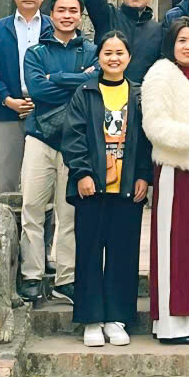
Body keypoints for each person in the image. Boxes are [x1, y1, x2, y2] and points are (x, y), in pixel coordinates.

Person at [61, 29, 152, 348]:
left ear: (129, 57)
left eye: (119, 53)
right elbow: (73, 136)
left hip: (128, 188)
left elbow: (146, 140)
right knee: (88, 253)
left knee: (123, 254)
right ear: (98, 58)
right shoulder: (85, 92)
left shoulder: (139, 94)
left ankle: (117, 317)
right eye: (107, 53)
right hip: (92, 188)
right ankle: (91, 318)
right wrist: (82, 173)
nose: (114, 58)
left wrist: (144, 176)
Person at [21, 0, 99, 304]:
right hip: (39, 137)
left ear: (81, 16)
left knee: (70, 214)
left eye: (73, 11)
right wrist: (76, 79)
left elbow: (93, 88)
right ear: (51, 15)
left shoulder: (93, 51)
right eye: (61, 10)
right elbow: (38, 91)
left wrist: (56, 77)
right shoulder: (36, 52)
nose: (67, 16)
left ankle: (66, 278)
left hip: (77, 142)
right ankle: (31, 274)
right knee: (32, 208)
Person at [141, 17, 189, 343]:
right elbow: (154, 124)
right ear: (171, 43)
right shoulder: (160, 73)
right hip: (174, 166)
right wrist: (188, 136)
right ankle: (170, 324)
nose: (188, 46)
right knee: (172, 244)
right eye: (182, 40)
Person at [0, 0, 54, 195]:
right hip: (8, 110)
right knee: (7, 179)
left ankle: (43, 220)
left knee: (46, 179)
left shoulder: (54, 28)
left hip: (47, 110)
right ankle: (6, 218)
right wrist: (7, 99)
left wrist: (42, 98)